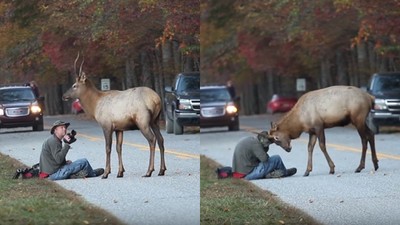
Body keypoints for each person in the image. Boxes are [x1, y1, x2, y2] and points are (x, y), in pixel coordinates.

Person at [39, 120, 104, 180]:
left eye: (65, 127)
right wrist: (67, 144)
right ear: (55, 130)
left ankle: (75, 174)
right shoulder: (53, 141)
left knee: (72, 164)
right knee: (84, 161)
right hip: (53, 174)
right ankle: (93, 174)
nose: (64, 129)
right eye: (61, 127)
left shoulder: (53, 139)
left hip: (52, 172)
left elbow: (56, 159)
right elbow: (58, 160)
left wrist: (65, 163)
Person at [232, 131, 297, 180]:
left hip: (239, 174)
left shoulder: (251, 140)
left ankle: (272, 173)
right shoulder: (256, 144)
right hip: (247, 175)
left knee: (264, 163)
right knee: (276, 158)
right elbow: (265, 159)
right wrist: (266, 147)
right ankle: (284, 173)